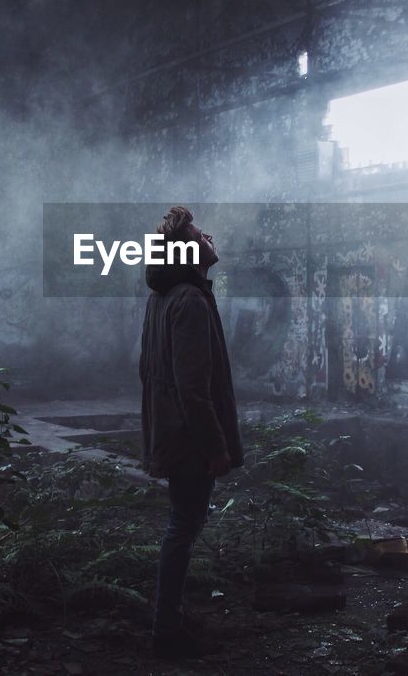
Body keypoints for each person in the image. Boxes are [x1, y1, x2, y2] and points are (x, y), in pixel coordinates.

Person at [139, 205, 244, 660]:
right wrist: (215, 447)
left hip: (172, 430)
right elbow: (194, 389)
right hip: (188, 438)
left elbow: (146, 370)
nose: (210, 240)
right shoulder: (191, 301)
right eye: (203, 236)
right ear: (188, 250)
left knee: (180, 524)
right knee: (183, 528)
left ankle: (172, 618)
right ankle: (167, 631)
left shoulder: (162, 298)